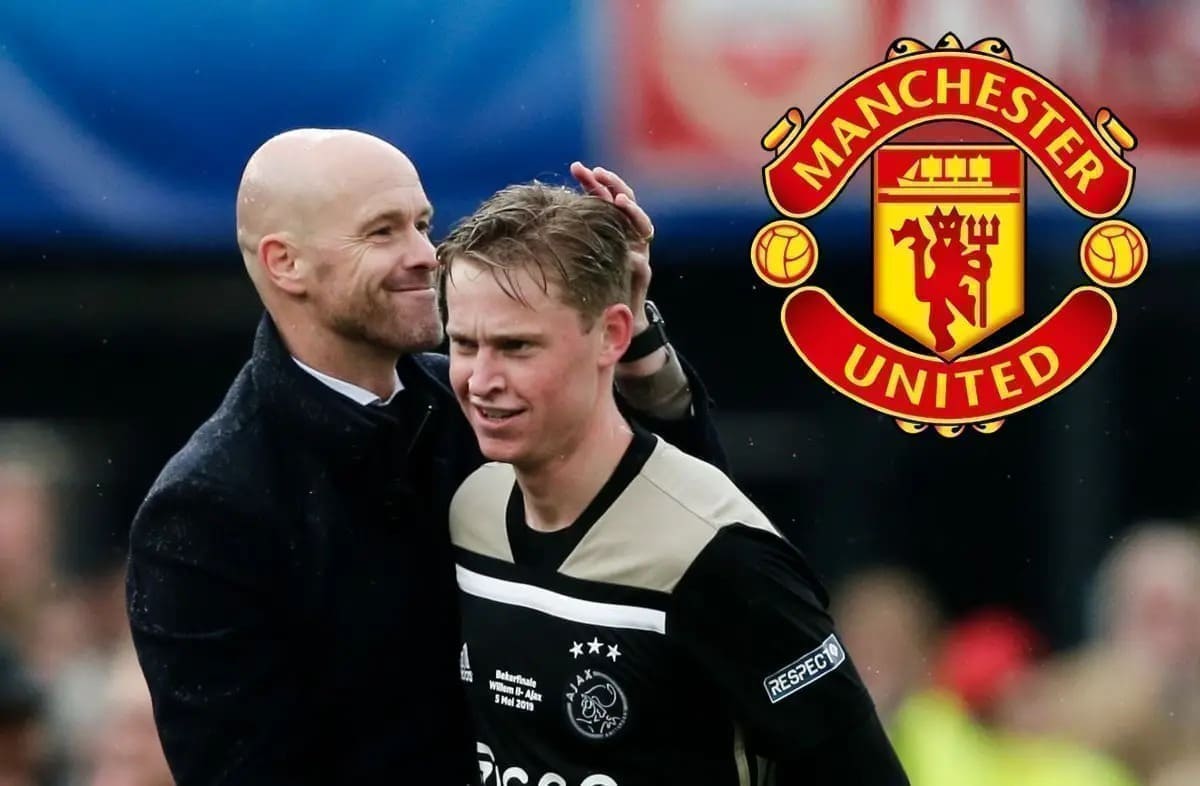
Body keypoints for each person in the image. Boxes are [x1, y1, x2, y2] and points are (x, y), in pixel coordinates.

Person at [125, 129, 726, 786]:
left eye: (423, 224)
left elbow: (688, 526)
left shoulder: (477, 401)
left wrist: (631, 336)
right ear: (285, 263)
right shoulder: (207, 509)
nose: (425, 255)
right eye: (382, 232)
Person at [440, 181, 909, 785]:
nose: (481, 380)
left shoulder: (716, 555)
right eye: (463, 344)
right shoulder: (469, 508)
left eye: (516, 347)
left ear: (612, 335)